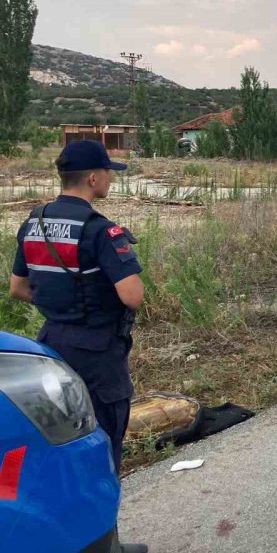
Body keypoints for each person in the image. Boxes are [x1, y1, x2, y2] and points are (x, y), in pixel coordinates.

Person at [8, 141, 148, 553]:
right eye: (107, 172)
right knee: (102, 444)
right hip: (98, 353)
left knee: (55, 444)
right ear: (92, 178)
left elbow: (18, 288)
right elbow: (132, 295)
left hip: (50, 347)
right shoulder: (102, 230)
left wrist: (63, 307)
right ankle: (107, 543)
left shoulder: (34, 222)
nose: (110, 178)